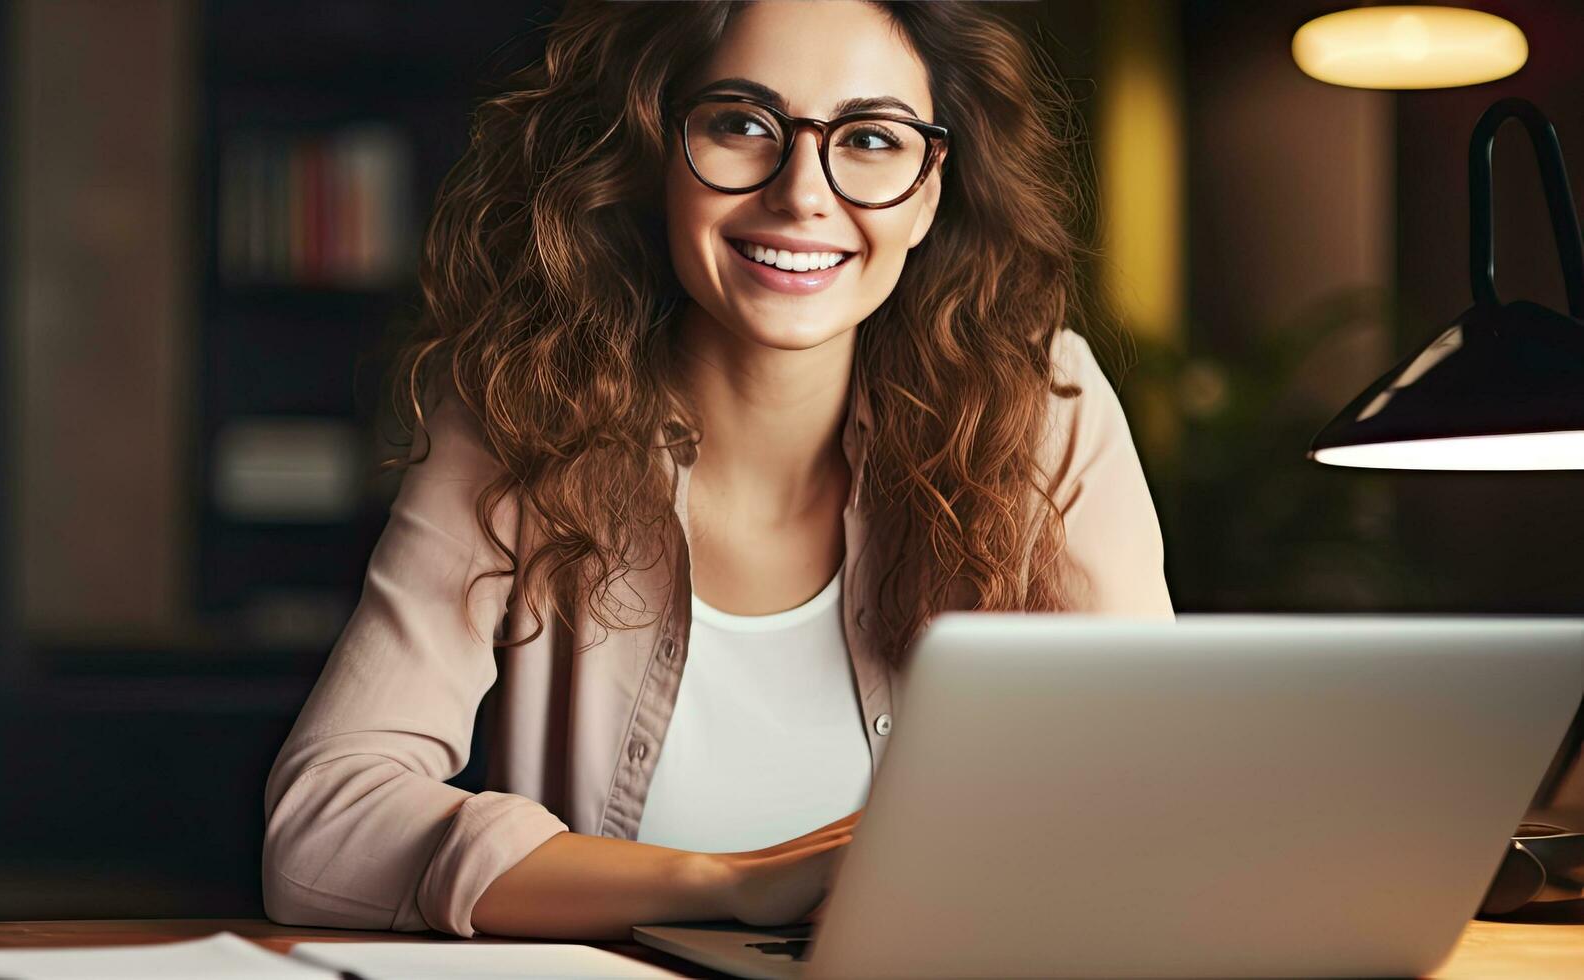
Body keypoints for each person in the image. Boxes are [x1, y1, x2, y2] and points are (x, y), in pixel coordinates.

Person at [262, 0, 1173, 942]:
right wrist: (728, 883)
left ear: (930, 187)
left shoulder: (1040, 404)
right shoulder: (519, 418)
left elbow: (1156, 799)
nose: (802, 195)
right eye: (742, 124)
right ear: (658, 149)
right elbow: (323, 828)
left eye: (870, 138)